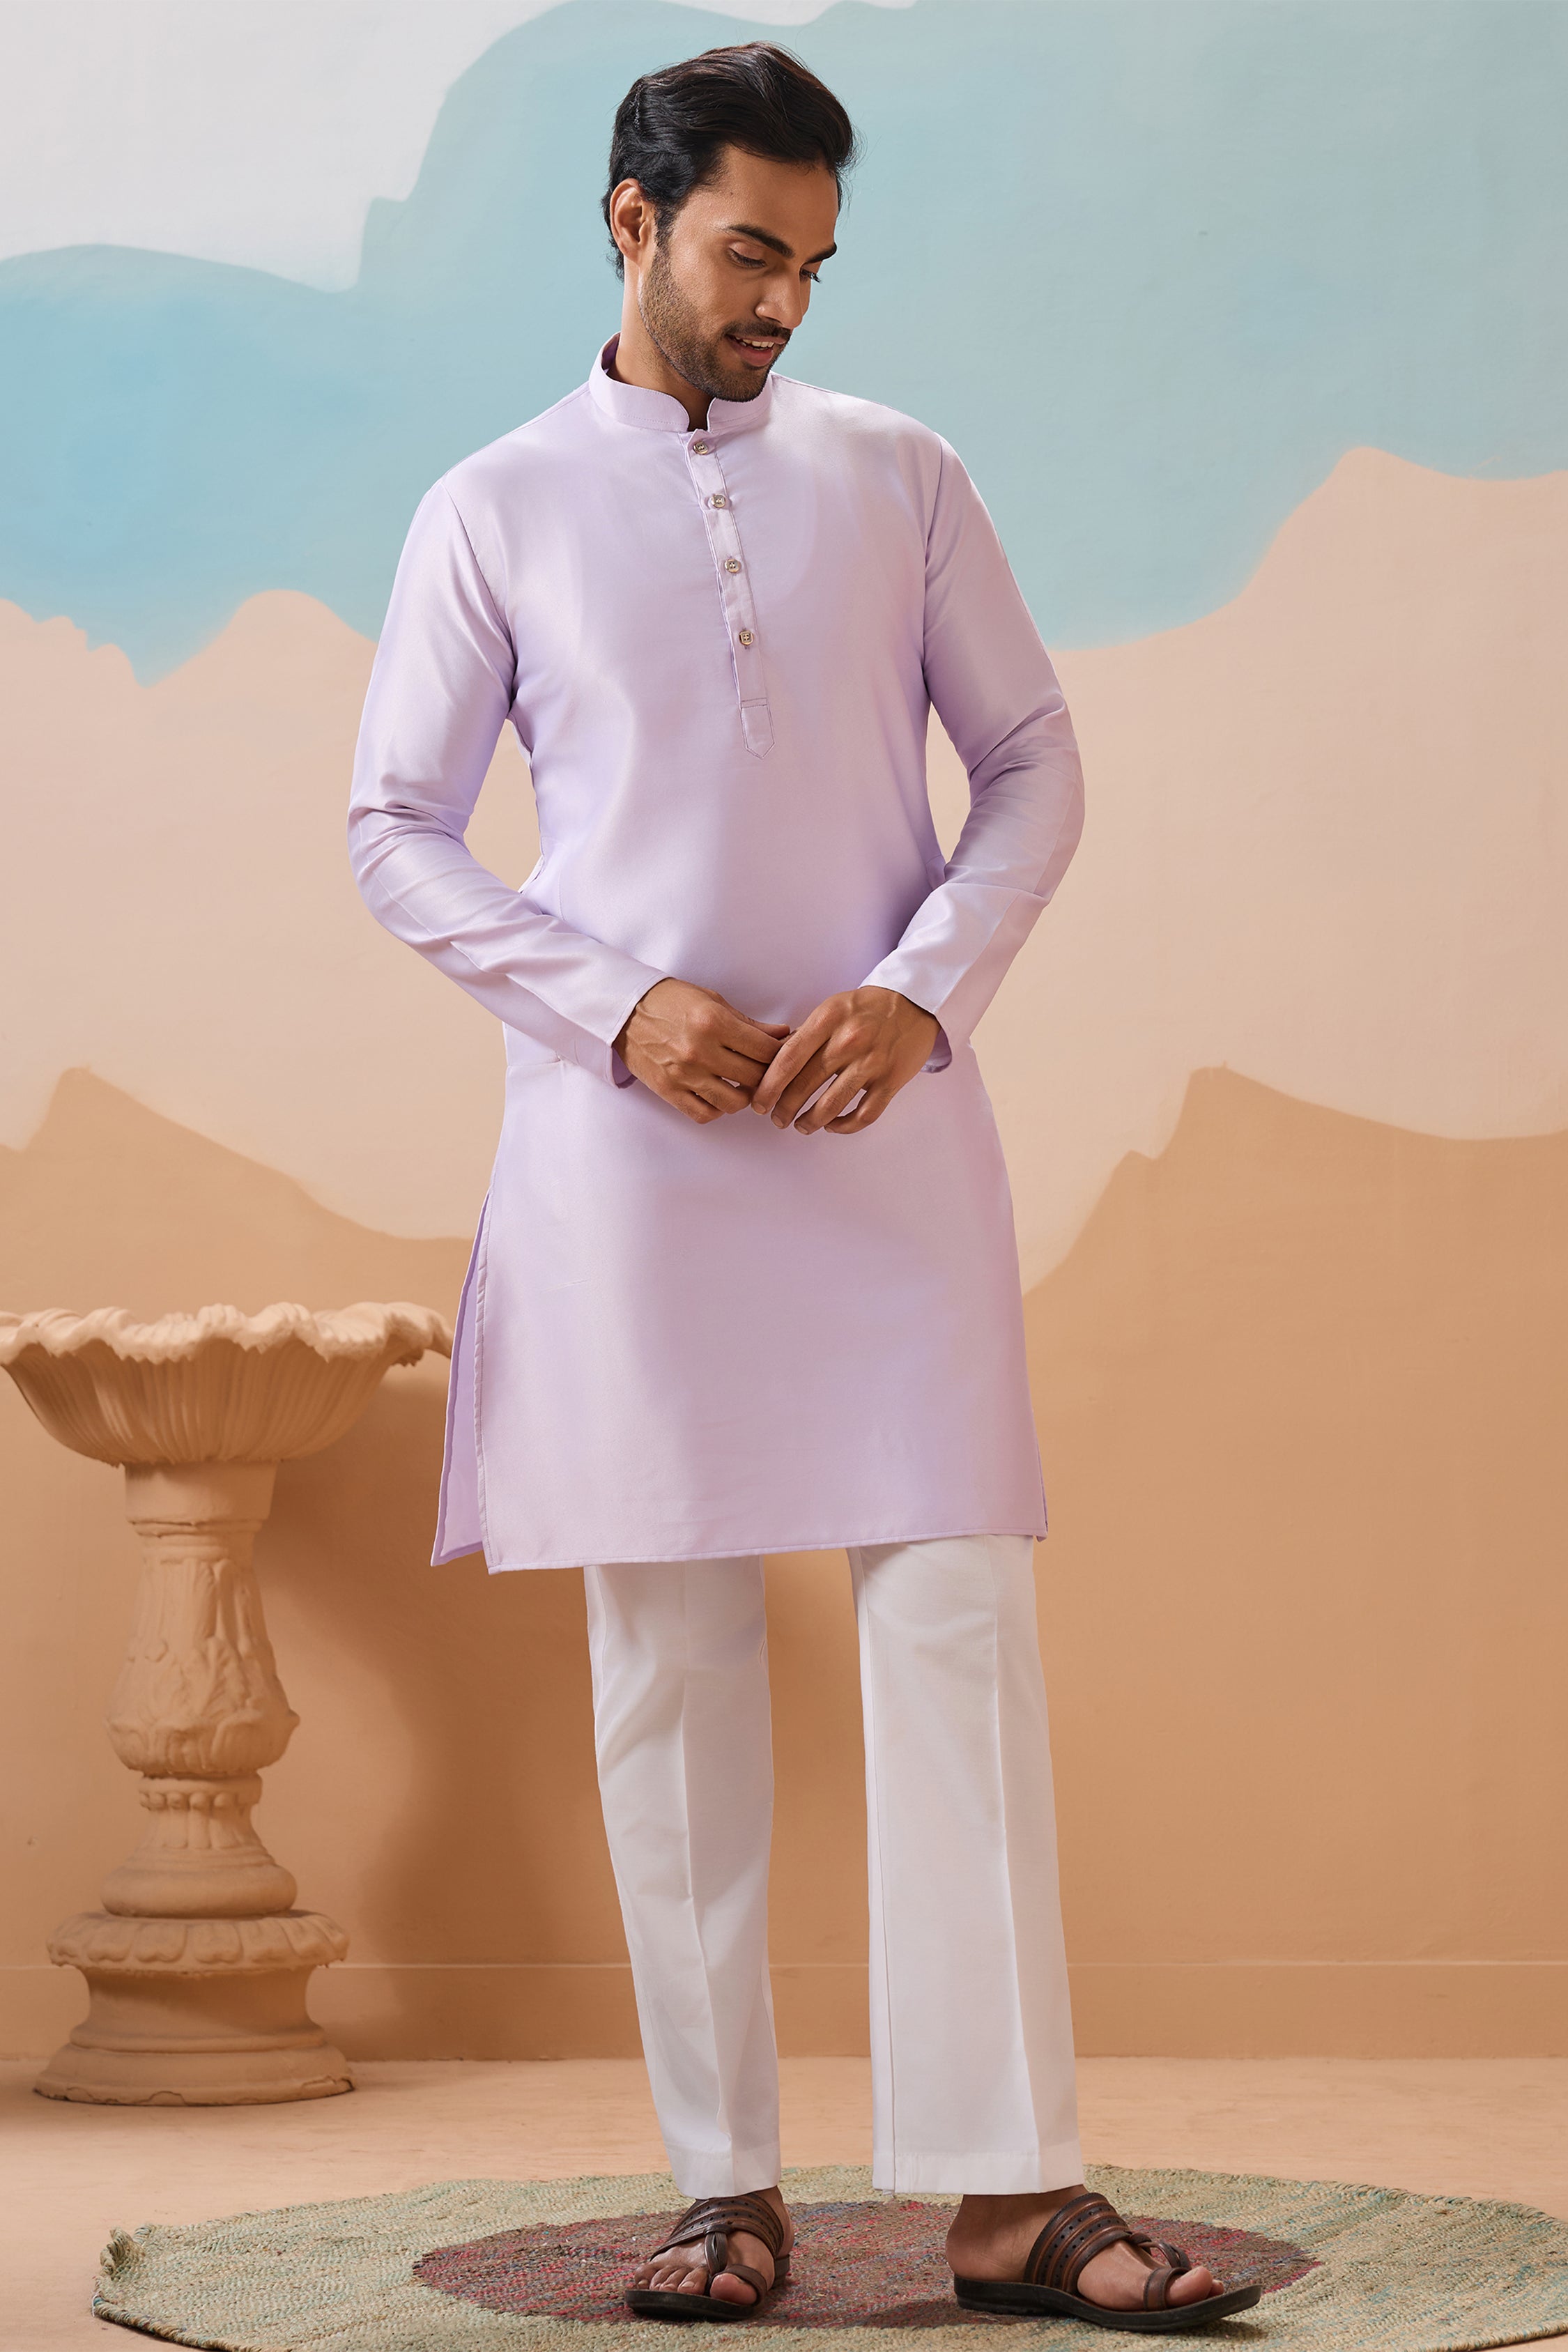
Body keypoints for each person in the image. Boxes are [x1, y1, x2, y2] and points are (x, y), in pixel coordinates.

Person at [347, 40, 1259, 2333]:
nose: (780, 301)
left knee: (951, 1628)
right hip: (632, 1163)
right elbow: (393, 829)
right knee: (667, 1661)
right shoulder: (492, 508)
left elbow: (1030, 759)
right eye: (749, 251)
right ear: (632, 222)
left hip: (884, 1144)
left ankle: (1008, 2192)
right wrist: (612, 1008)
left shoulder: (898, 474)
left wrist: (924, 993)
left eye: (813, 265)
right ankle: (718, 2188)